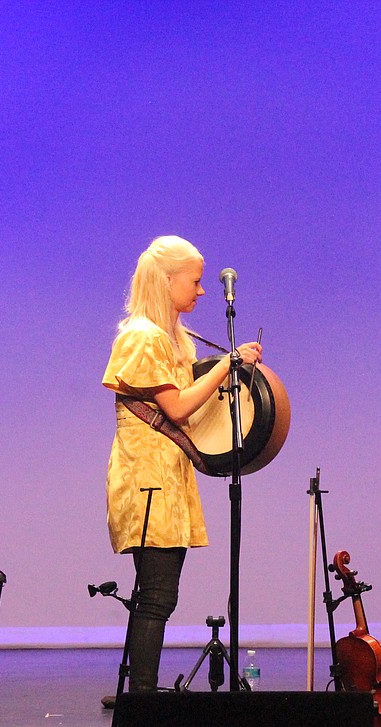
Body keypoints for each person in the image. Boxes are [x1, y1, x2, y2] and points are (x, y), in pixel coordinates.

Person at [101, 235, 262, 694]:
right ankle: (143, 701)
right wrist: (226, 366)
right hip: (147, 479)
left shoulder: (171, 338)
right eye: (194, 281)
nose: (202, 290)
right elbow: (177, 408)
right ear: (167, 280)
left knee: (156, 596)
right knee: (156, 596)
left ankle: (141, 696)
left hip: (165, 477)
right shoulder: (142, 338)